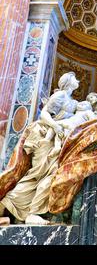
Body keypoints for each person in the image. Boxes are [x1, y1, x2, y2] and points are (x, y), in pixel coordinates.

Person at [0, 72, 80, 225]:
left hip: (57, 139)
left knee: (49, 175)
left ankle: (17, 207)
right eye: (75, 79)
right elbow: (44, 114)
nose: (77, 81)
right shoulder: (60, 96)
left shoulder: (72, 101)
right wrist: (56, 126)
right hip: (44, 137)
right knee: (37, 174)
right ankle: (25, 211)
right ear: (69, 82)